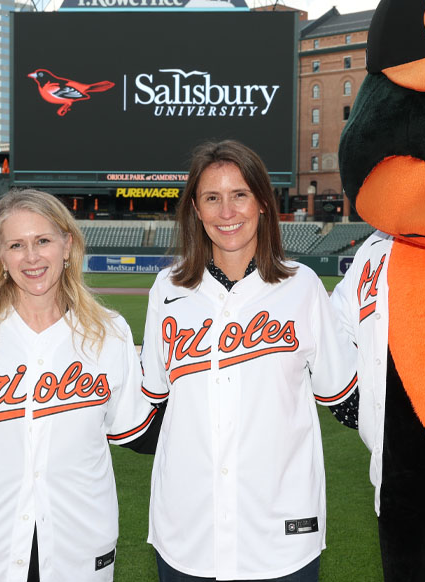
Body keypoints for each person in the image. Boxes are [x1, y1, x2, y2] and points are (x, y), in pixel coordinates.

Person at [0, 189, 160, 582]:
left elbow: (131, 426)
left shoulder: (109, 333)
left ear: (67, 245)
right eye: (16, 245)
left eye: (42, 240)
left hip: (78, 541)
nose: (31, 257)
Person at [140, 140, 358, 581]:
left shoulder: (303, 287)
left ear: (261, 201)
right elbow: (153, 405)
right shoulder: (167, 290)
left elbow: (345, 397)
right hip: (188, 532)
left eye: (239, 194)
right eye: (212, 198)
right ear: (196, 211)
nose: (227, 212)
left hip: (281, 531)